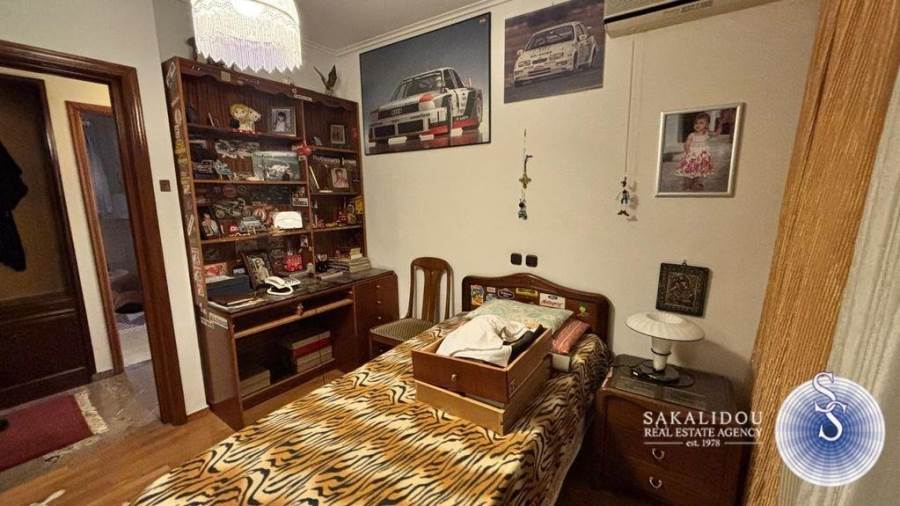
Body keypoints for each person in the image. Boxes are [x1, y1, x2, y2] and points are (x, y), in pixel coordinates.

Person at [674, 112, 719, 191]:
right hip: (693, 156)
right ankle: (687, 183)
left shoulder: (707, 134)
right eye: (696, 123)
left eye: (701, 123)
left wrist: (720, 124)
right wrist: (688, 153)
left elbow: (716, 134)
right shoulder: (692, 135)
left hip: (702, 157)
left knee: (699, 170)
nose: (697, 125)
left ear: (706, 125)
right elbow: (687, 144)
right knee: (689, 170)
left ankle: (697, 182)